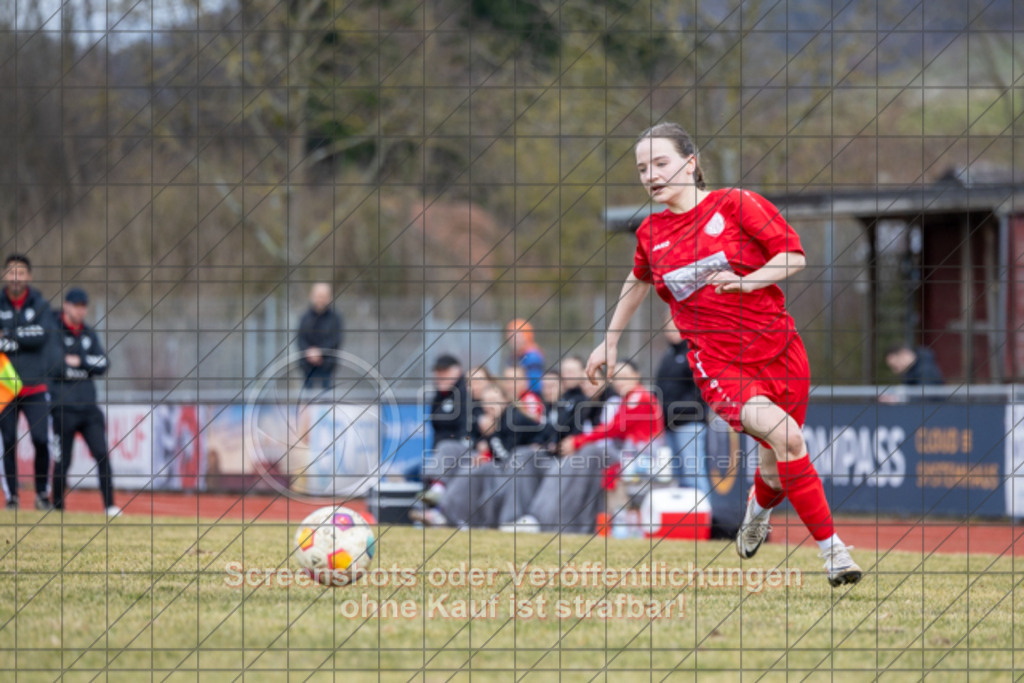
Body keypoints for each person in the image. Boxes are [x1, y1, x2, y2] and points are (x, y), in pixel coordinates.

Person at [584, 123, 861, 586]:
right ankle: (834, 554)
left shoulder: (735, 204)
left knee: (775, 466)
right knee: (790, 438)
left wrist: (750, 280)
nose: (651, 175)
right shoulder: (651, 232)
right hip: (720, 364)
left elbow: (794, 256)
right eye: (642, 169)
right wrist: (609, 340)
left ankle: (757, 509)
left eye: (661, 163)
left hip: (781, 351)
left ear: (690, 164)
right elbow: (638, 281)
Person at [523, 360, 664, 534]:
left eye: (625, 377)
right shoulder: (622, 399)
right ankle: (547, 519)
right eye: (617, 377)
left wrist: (577, 442)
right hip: (629, 455)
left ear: (637, 376)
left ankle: (547, 520)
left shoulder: (638, 397)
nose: (620, 382)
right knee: (575, 461)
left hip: (640, 458)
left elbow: (613, 428)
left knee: (586, 455)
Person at [50, 288, 120, 517]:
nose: (81, 310)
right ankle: (58, 506)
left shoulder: (88, 333)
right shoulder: (53, 330)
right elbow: (55, 365)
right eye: (76, 305)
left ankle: (110, 505)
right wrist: (80, 364)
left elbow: (103, 363)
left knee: (102, 454)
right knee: (63, 460)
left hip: (89, 409)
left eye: (84, 306)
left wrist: (78, 361)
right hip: (63, 409)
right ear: (66, 305)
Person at [0, 255, 56, 511]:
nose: (15, 277)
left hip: (35, 386)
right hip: (5, 387)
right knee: (8, 440)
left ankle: (42, 494)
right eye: (11, 272)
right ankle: (12, 497)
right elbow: (29, 337)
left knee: (41, 440)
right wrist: (23, 337)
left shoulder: (41, 304)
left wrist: (9, 335)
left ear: (28, 277)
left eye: (20, 272)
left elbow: (41, 336)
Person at [655, 319, 710, 497]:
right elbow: (659, 390)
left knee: (694, 475)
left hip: (689, 424)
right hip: (669, 427)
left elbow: (699, 392)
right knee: (679, 479)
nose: (671, 331)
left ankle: (706, 520)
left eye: (675, 327)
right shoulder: (667, 357)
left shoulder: (694, 354)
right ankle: (687, 522)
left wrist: (675, 411)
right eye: (668, 328)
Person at [420, 354, 473, 505]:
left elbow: (467, 430)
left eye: (444, 372)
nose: (439, 376)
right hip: (440, 453)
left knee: (444, 451)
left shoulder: (465, 394)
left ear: (457, 371)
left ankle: (437, 493)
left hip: (458, 451)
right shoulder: (438, 396)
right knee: (416, 469)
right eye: (438, 372)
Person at [296, 282, 343, 390]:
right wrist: (309, 353)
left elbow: (336, 339)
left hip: (327, 364)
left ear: (329, 297)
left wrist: (320, 352)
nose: (320, 299)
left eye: (323, 296)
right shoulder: (304, 317)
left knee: (327, 395)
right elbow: (300, 339)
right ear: (312, 296)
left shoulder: (335, 318)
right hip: (307, 365)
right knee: (307, 395)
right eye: (318, 296)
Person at [505, 319, 545, 396]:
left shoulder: (532, 356)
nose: (513, 340)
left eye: (517, 336)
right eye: (511, 337)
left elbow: (535, 385)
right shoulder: (515, 355)